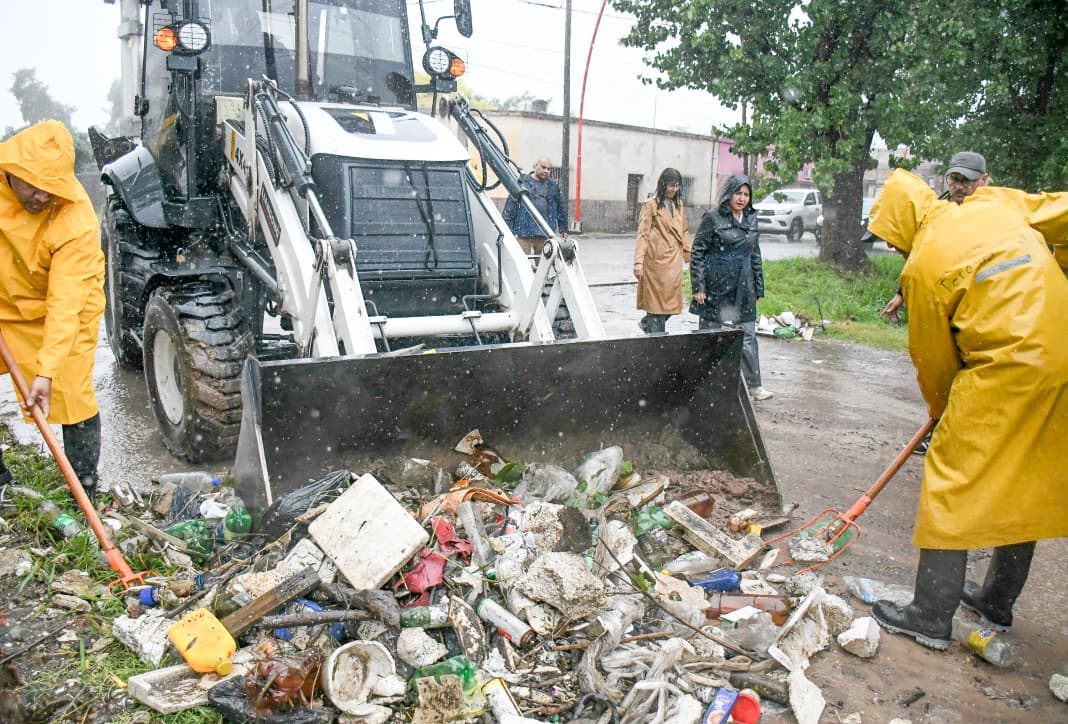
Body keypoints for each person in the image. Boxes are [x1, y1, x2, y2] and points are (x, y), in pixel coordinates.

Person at [865, 168, 1068, 650]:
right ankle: (997, 600)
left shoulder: (923, 265)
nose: (893, 247)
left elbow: (934, 360)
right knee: (1025, 476)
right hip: (1060, 355)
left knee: (950, 478)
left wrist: (941, 413)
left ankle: (931, 613)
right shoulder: (995, 203)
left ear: (904, 220)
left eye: (891, 236)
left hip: (1005, 366)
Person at [0, 120, 106, 502]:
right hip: (6, 297)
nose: (42, 196)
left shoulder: (75, 220)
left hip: (66, 304)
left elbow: (65, 304)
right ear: (12, 172)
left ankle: (83, 490)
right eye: (33, 185)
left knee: (71, 389)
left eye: (51, 187)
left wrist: (45, 371)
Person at [878, 151, 990, 455]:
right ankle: (942, 429)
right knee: (944, 371)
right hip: (945, 305)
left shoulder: (992, 214)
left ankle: (963, 437)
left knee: (971, 375)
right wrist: (902, 293)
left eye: (967, 181)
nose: (959, 186)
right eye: (954, 179)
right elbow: (921, 256)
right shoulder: (937, 210)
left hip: (978, 306)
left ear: (984, 180)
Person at [690, 174, 772, 401]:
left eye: (746, 194)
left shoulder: (751, 219)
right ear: (729, 194)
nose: (742, 198)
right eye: (738, 193)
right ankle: (703, 385)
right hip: (716, 286)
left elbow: (755, 254)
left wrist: (758, 286)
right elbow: (698, 252)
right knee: (711, 337)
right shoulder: (713, 218)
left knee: (747, 336)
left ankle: (755, 386)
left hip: (744, 287)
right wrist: (698, 286)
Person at [633, 168, 691, 333]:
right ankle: (656, 338)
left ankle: (648, 325)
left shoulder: (679, 205)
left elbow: (684, 230)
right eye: (671, 185)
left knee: (671, 305)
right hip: (655, 262)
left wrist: (688, 254)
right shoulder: (650, 204)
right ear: (663, 184)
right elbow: (643, 234)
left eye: (677, 186)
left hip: (674, 261)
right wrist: (638, 262)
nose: (674, 189)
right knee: (656, 305)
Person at [502, 157, 568, 256]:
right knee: (523, 261)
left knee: (544, 263)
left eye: (548, 169)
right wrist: (507, 229)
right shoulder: (523, 182)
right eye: (543, 167)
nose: (546, 171)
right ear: (536, 166)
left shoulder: (552, 186)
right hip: (524, 232)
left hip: (545, 232)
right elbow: (511, 206)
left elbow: (560, 207)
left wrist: (563, 228)